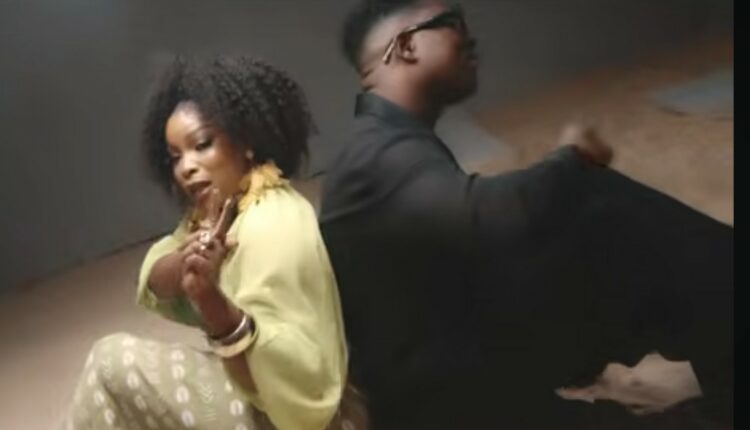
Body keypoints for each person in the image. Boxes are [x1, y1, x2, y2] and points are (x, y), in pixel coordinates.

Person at [319, 1, 733, 429]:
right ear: (406, 47)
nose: (470, 38)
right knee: (592, 202)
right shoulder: (374, 152)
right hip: (445, 396)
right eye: (453, 23)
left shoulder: (384, 142)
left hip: (456, 351)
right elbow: (496, 215)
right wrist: (573, 156)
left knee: (592, 219)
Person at [65, 56, 367, 430]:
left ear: (246, 143)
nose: (186, 167)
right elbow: (154, 276)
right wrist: (185, 260)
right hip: (272, 397)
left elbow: (303, 393)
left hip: (301, 415)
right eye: (175, 157)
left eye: (202, 144)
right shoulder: (227, 208)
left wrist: (213, 304)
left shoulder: (270, 225)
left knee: (112, 364)